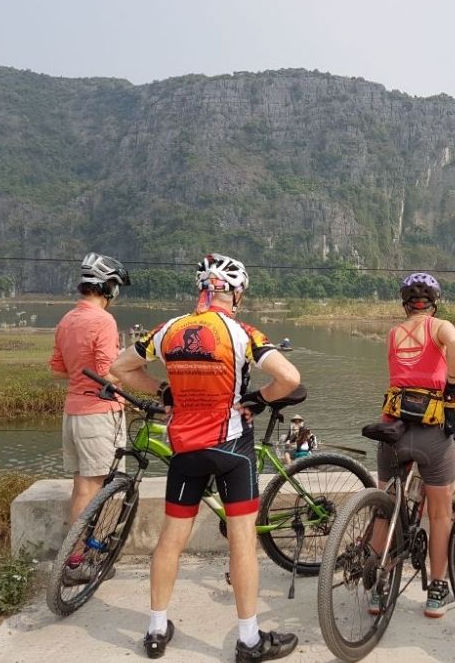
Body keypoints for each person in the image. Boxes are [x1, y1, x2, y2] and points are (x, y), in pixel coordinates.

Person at [111, 253, 300, 662]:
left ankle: (156, 630)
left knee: (170, 541)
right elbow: (289, 378)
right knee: (243, 540)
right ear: (234, 293)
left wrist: (164, 394)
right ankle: (249, 640)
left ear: (201, 289)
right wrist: (256, 399)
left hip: (185, 450)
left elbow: (120, 368)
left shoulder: (168, 330)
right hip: (232, 449)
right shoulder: (242, 332)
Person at [371, 272, 455, 618]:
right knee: (440, 514)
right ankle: (437, 591)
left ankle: (377, 586)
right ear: (433, 304)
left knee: (385, 508)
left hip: (392, 428)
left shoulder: (393, 333)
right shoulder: (439, 328)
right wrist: (452, 383)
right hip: (431, 430)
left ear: (406, 304)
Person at [49, 252, 130, 583]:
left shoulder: (67, 319)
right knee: (113, 487)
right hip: (99, 414)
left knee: (83, 486)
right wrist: (128, 373)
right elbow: (106, 372)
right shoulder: (103, 321)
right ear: (107, 287)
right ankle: (90, 556)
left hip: (74, 413)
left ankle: (73, 558)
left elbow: (57, 370)